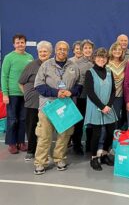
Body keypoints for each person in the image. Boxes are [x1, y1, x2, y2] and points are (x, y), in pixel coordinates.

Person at [33, 41, 82, 175]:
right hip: (48, 107)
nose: (62, 51)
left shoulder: (74, 66)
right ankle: (40, 162)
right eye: (59, 49)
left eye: (64, 49)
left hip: (66, 106)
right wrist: (56, 93)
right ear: (55, 50)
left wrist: (71, 92)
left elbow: (79, 85)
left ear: (68, 51)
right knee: (44, 136)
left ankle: (59, 159)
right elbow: (38, 85)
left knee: (64, 135)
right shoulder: (46, 65)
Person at [18, 40, 52, 161]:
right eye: (41, 51)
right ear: (37, 52)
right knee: (31, 127)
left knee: (46, 129)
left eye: (45, 51)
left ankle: (44, 151)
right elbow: (21, 82)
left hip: (48, 102)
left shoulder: (53, 65)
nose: (43, 53)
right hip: (33, 103)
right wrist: (26, 95)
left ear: (50, 53)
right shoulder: (31, 65)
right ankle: (31, 150)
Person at [84, 48, 116, 171]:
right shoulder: (89, 72)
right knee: (96, 135)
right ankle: (94, 158)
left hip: (108, 108)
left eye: (103, 57)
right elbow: (90, 93)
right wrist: (102, 107)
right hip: (96, 108)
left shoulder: (109, 71)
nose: (101, 59)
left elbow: (113, 91)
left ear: (107, 59)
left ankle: (104, 155)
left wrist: (108, 105)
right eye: (98, 57)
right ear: (94, 58)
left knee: (110, 132)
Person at [1, 33, 34, 154]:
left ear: (25, 43)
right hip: (12, 94)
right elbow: (4, 76)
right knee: (12, 119)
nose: (20, 44)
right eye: (18, 42)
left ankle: (21, 142)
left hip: (25, 94)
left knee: (23, 119)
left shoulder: (29, 57)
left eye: (22, 42)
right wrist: (5, 94)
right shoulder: (9, 57)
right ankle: (12, 143)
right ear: (13, 44)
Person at [73, 39, 94, 154]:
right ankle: (77, 145)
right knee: (79, 122)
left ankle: (90, 145)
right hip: (81, 96)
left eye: (89, 48)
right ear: (81, 50)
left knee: (91, 122)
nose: (87, 50)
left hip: (93, 98)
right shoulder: (76, 63)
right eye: (85, 48)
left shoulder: (96, 61)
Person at [107, 41, 128, 130]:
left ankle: (114, 139)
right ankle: (104, 141)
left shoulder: (125, 63)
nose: (117, 51)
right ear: (111, 51)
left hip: (119, 95)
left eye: (119, 50)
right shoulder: (106, 63)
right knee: (106, 118)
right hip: (107, 95)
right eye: (115, 49)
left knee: (116, 118)